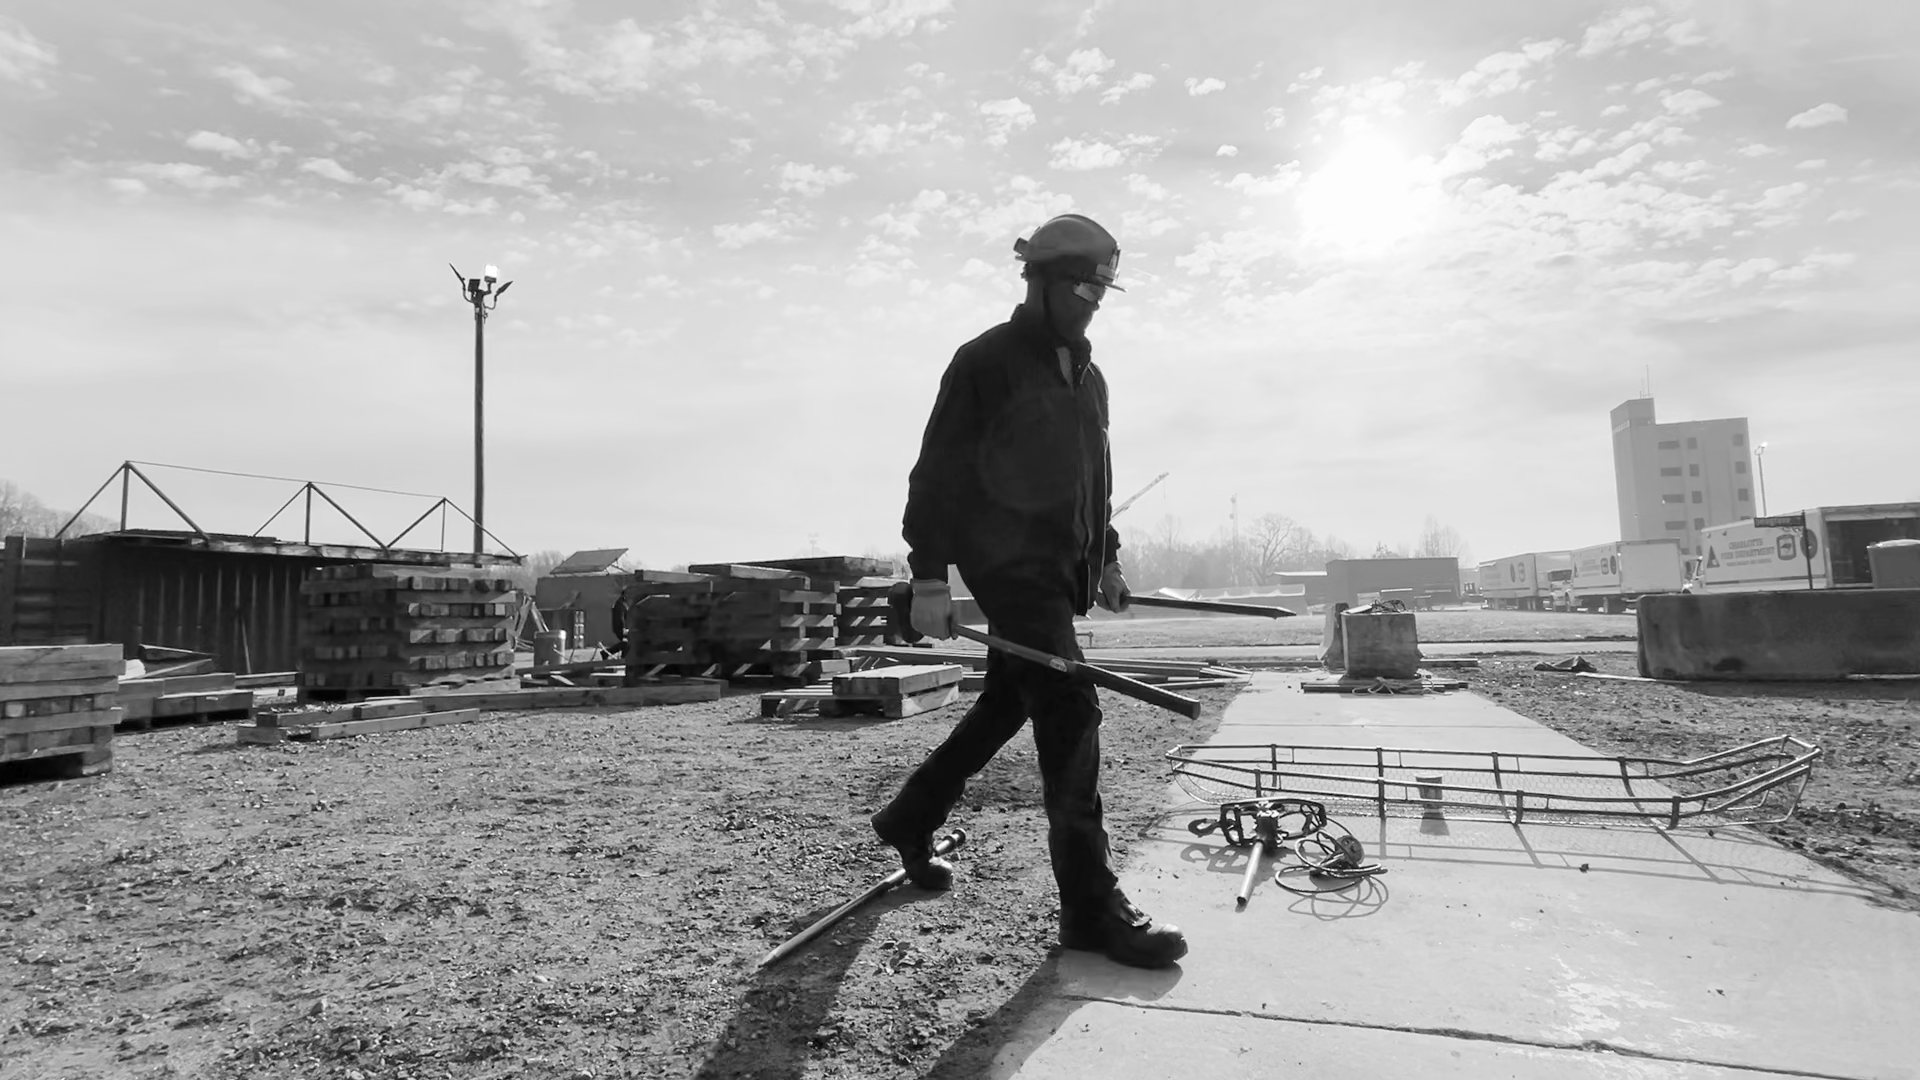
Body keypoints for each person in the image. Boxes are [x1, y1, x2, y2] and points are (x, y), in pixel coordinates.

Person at [869, 213, 1189, 969]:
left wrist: (1104, 558)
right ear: (1040, 281)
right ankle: (1090, 911)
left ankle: (909, 818)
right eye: (1083, 285)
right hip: (1006, 566)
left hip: (1059, 572)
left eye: (1103, 289)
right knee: (1072, 704)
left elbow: (1093, 482)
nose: (1095, 300)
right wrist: (926, 580)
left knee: (1012, 697)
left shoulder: (1088, 376)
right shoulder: (986, 361)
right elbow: (936, 475)